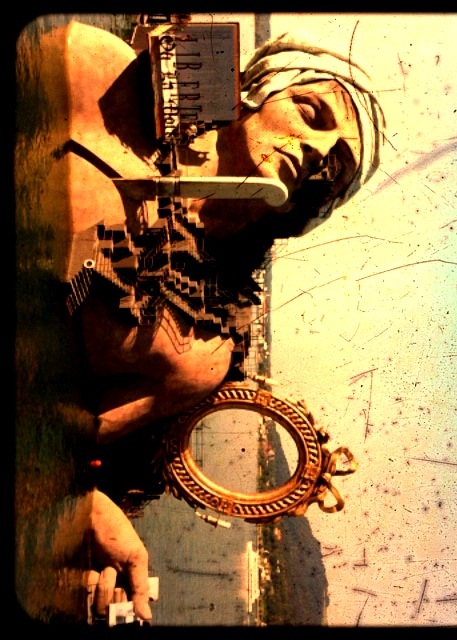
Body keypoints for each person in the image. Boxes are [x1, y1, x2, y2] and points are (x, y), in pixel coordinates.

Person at [50, 23, 386, 445]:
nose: (317, 149)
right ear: (261, 86)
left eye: (335, 165)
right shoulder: (99, 74)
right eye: (309, 112)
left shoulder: (201, 354)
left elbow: (67, 450)